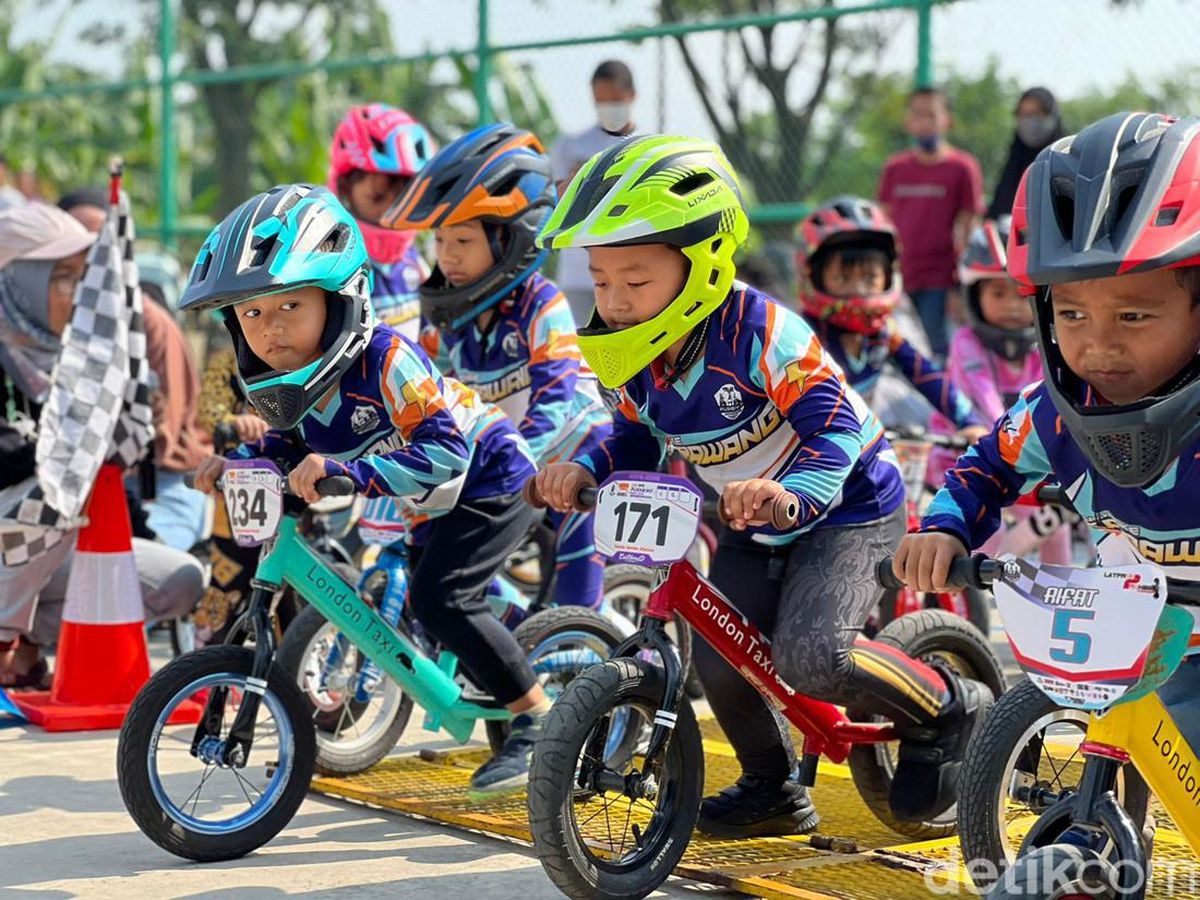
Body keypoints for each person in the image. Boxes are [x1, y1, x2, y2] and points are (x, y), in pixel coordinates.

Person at [534, 135, 992, 836]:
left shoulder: (761, 333)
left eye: (635, 280)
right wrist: (584, 467)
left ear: (702, 266)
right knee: (720, 657)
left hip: (850, 507)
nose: (615, 301)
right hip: (754, 513)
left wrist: (796, 492)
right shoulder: (627, 353)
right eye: (601, 281)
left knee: (813, 657)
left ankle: (951, 708)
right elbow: (632, 439)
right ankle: (773, 790)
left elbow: (835, 430)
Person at [186, 183, 551, 796]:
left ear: (339, 300)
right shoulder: (288, 379)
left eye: (288, 308)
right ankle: (504, 643)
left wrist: (350, 472)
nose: (269, 331)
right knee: (420, 593)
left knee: (441, 599)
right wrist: (236, 462)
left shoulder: (386, 360)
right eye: (252, 314)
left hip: (488, 474)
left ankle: (535, 717)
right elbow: (286, 445)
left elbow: (445, 450)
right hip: (423, 495)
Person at [892, 111, 1200, 751]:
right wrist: (945, 528)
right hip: (1139, 644)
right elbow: (983, 468)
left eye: (1135, 314)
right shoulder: (1053, 412)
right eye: (1071, 313)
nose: (1097, 346)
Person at [383, 123, 611, 614]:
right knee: (440, 568)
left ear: (511, 238)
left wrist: (499, 462)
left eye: (462, 240)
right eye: (440, 240)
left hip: (575, 460)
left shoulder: (541, 304)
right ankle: (521, 638)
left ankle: (610, 656)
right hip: (504, 465)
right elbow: (432, 400)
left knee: (576, 606)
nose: (446, 255)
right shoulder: (444, 320)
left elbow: (552, 401)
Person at [0, 204, 203, 687]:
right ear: (17, 281)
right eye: (61, 278)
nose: (77, 296)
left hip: (36, 551)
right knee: (55, 493)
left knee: (180, 580)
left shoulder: (79, 357)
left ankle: (23, 646)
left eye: (82, 278)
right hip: (17, 537)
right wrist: (71, 437)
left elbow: (106, 489)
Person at [58, 186, 211, 550]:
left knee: (143, 572)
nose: (88, 255)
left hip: (160, 479)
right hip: (68, 486)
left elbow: (156, 434)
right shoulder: (41, 316)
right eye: (74, 241)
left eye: (99, 242)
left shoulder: (145, 323)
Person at [927, 217, 1072, 564]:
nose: (1010, 304)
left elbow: (1049, 396)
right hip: (962, 462)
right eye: (997, 292)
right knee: (984, 530)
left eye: (1020, 294)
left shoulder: (1042, 345)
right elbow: (985, 397)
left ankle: (1059, 599)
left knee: (1056, 523)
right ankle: (974, 600)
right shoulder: (966, 344)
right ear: (974, 296)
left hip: (1024, 464)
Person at [796, 196, 987, 442]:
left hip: (863, 445)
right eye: (843, 279)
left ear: (888, 275)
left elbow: (927, 376)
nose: (860, 290)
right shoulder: (802, 336)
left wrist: (969, 422)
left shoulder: (884, 332)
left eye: (870, 277)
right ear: (812, 277)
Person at [878, 87, 985, 358]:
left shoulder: (963, 168)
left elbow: (969, 228)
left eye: (932, 114)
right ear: (908, 121)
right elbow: (882, 221)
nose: (924, 122)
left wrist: (961, 286)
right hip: (897, 276)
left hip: (940, 280)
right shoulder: (895, 168)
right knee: (894, 347)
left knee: (936, 350)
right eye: (917, 114)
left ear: (947, 119)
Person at [327, 103, 435, 339]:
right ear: (345, 189)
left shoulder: (414, 259)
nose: (390, 214)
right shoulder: (332, 268)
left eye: (403, 200)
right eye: (376, 197)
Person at [549, 60, 637, 325]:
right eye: (600, 101)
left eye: (614, 100)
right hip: (577, 273)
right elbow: (553, 199)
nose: (607, 108)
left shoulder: (645, 146)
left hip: (629, 270)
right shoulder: (570, 145)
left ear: (632, 96)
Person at [986, 87, 1065, 220]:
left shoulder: (1067, 164)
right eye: (1023, 115)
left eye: (1036, 114)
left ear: (1052, 116)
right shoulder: (1014, 166)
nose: (1030, 123)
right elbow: (998, 211)